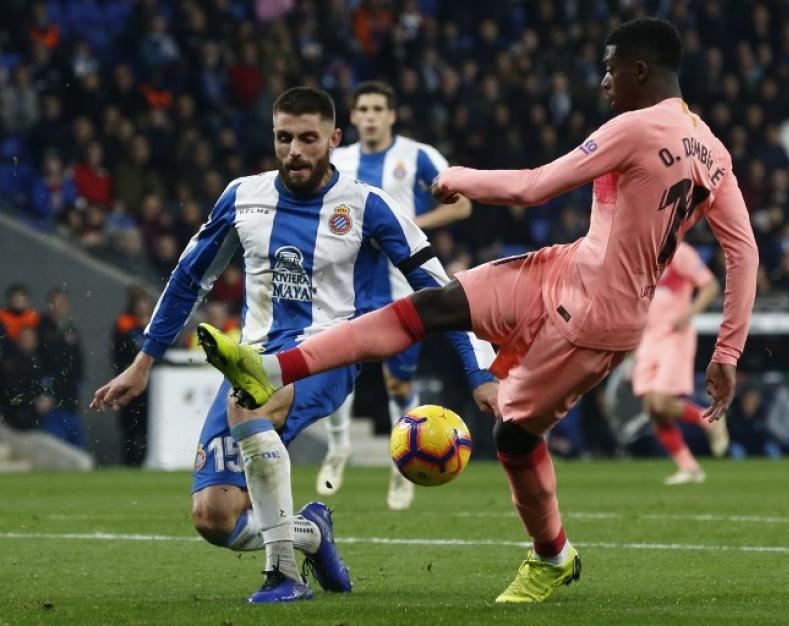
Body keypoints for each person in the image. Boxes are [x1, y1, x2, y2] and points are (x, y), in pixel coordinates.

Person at [199, 18, 758, 604]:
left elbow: (535, 187)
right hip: (566, 269)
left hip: (597, 320)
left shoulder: (636, 127)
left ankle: (552, 555)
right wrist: (727, 350)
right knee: (430, 306)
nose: (603, 80)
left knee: (514, 438)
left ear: (639, 70)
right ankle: (273, 369)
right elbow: (743, 251)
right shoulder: (714, 152)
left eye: (610, 66)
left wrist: (455, 178)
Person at [91, 86, 495, 604]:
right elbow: (189, 279)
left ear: (334, 138)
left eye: (308, 138)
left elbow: (441, 293)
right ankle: (310, 534)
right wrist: (143, 362)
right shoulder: (242, 197)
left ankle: (283, 574)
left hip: (329, 353)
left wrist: (479, 374)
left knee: (250, 400)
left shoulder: (369, 206)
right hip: (252, 358)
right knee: (214, 518)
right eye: (284, 138)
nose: (295, 151)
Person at [325, 81, 475, 509]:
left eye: (378, 108)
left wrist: (408, 224)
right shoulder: (340, 159)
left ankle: (401, 468)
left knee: (398, 380)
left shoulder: (417, 155)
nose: (370, 116)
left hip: (399, 278)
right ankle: (338, 449)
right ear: (353, 117)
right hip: (348, 278)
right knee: (337, 363)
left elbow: (462, 204)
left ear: (391, 115)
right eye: (363, 109)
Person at [631, 242, 727, 485]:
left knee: (662, 402)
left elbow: (710, 285)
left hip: (674, 337)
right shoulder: (641, 254)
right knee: (652, 408)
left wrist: (689, 314)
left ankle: (707, 420)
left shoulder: (679, 252)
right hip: (647, 339)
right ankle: (689, 467)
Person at [110, 286, 155, 466]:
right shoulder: (124, 324)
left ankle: (144, 459)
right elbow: (118, 354)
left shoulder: (156, 324)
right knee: (128, 424)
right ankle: (129, 461)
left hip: (152, 384)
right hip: (129, 382)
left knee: (147, 424)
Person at [37, 288, 85, 447]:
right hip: (50, 397)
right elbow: (39, 362)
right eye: (55, 303)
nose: (59, 307)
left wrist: (79, 385)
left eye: (63, 304)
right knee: (55, 442)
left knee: (76, 445)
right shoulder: (40, 328)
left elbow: (78, 361)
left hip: (70, 397)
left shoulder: (70, 330)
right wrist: (44, 391)